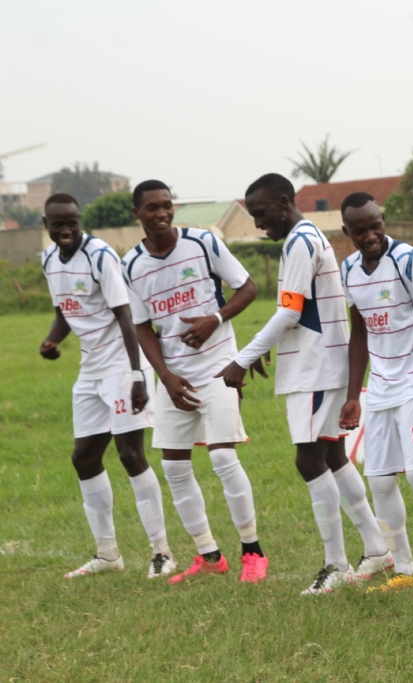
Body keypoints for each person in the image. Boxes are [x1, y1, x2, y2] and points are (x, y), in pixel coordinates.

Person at [216, 173, 392, 595]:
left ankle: (335, 563)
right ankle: (377, 549)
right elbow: (301, 309)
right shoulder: (309, 237)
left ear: (282, 202)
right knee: (332, 455)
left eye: (260, 214)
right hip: (323, 361)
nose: (258, 224)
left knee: (309, 461)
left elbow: (290, 312)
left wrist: (243, 358)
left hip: (315, 368)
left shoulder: (298, 241)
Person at [122, 179, 268, 584]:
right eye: (152, 207)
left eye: (167, 205)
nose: (162, 213)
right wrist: (164, 375)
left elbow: (249, 287)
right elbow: (141, 326)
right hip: (174, 378)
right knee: (174, 468)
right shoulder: (130, 265)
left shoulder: (203, 243)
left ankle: (253, 552)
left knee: (223, 457)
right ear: (138, 214)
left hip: (219, 365)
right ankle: (208, 555)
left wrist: (215, 319)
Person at [40, 192, 173, 579]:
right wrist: (52, 341)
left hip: (121, 364)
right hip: (90, 368)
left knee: (130, 454)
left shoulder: (100, 256)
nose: (65, 230)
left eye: (72, 222)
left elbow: (126, 317)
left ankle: (161, 552)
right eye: (57, 224)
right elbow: (65, 311)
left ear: (80, 221)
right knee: (83, 458)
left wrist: (136, 375)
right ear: (46, 224)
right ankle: (108, 554)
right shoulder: (50, 260)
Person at [339, 192, 413, 597]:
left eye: (376, 225)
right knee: (379, 480)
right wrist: (355, 393)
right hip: (383, 384)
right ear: (347, 233)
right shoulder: (350, 270)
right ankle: (405, 567)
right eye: (360, 230)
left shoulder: (407, 260)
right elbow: (359, 333)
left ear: (383, 219)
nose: (370, 235)